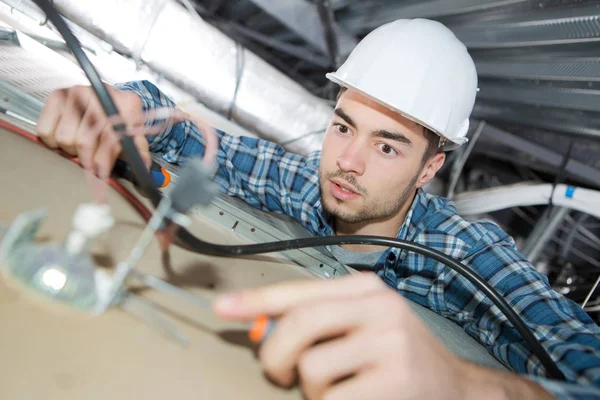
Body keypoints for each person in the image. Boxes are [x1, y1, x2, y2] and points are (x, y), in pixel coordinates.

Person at [36, 18, 599, 400]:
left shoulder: (466, 253)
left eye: (386, 145)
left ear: (429, 168)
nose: (347, 161)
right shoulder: (311, 184)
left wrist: (465, 385)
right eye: (343, 126)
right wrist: (126, 107)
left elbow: (584, 361)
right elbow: (193, 140)